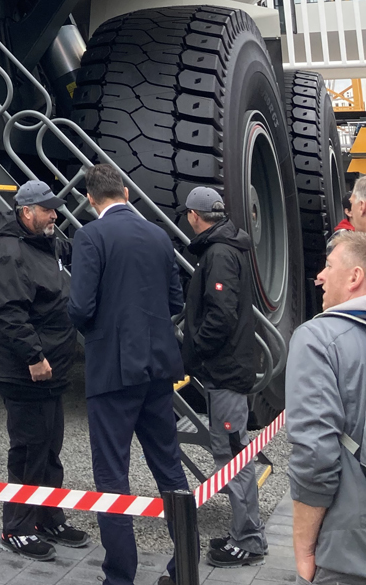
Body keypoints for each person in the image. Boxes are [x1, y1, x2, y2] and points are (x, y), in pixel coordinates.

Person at [67, 164, 190, 585]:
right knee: (169, 469)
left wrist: (99, 335)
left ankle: (120, 575)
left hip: (113, 371)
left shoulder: (90, 237)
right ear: (125, 192)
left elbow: (80, 308)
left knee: (112, 474)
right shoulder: (158, 235)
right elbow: (176, 299)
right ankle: (182, 567)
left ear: (90, 199)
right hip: (159, 367)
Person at [0, 181, 89, 561]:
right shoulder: (10, 252)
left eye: (55, 208)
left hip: (52, 370)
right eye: (47, 209)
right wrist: (33, 356)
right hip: (24, 372)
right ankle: (18, 526)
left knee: (50, 445)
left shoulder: (51, 243)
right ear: (26, 212)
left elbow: (74, 255)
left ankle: (47, 515)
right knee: (28, 449)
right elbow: (9, 311)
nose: (55, 215)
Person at [180, 187, 266, 567]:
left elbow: (221, 314)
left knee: (233, 455)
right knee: (232, 452)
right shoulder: (230, 247)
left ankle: (248, 540)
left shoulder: (217, 254)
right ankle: (242, 533)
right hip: (231, 368)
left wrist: (194, 348)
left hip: (226, 371)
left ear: (194, 216)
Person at [286, 231, 366, 585]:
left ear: (354, 277)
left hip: (349, 551)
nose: (319, 275)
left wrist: (304, 548)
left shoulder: (318, 339)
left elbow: (316, 456)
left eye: (328, 265)